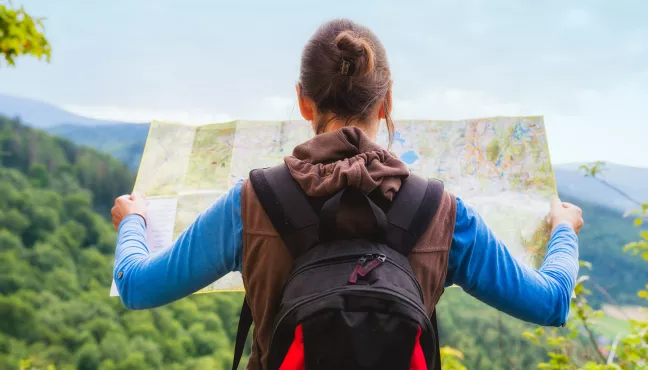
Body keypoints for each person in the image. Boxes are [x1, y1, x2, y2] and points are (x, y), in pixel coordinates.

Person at [111, 18, 583, 370]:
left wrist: (133, 219)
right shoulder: (443, 213)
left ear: (303, 100)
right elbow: (551, 302)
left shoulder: (251, 202)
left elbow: (137, 285)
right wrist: (563, 230)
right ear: (388, 101)